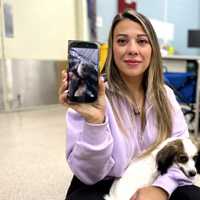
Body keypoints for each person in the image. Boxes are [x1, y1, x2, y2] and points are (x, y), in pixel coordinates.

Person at [59, 9, 200, 200]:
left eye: (142, 41)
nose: (132, 49)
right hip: (102, 182)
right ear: (112, 49)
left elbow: (183, 152)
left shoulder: (165, 96)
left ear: (153, 50)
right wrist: (95, 122)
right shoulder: (91, 99)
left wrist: (161, 189)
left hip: (156, 177)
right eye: (122, 41)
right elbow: (88, 175)